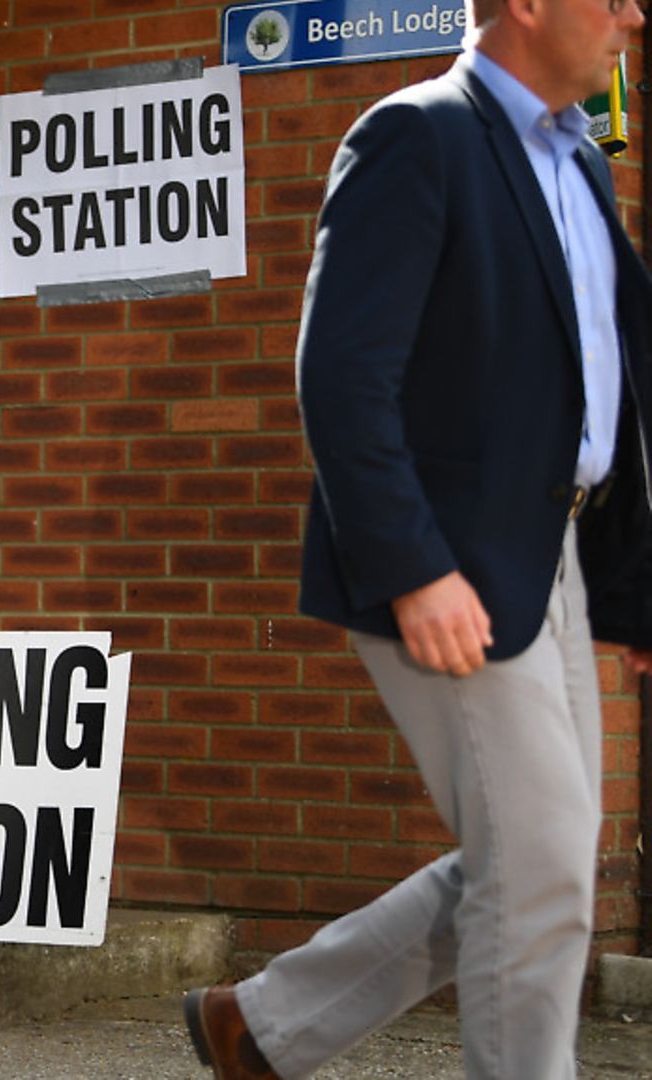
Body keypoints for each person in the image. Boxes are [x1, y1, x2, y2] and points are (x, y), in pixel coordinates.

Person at [182, 1, 652, 1077]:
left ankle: (261, 1024)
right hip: (453, 562)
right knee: (536, 875)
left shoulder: (587, 167)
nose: (633, 12)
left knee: (542, 861)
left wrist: (632, 589)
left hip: (561, 557)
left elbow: (610, 393)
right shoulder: (417, 133)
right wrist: (414, 567)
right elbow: (343, 373)